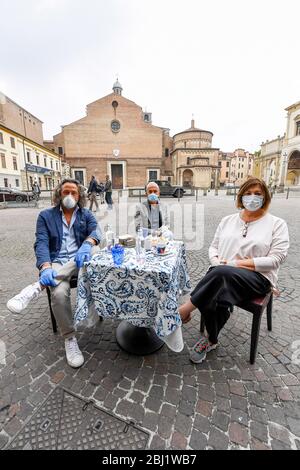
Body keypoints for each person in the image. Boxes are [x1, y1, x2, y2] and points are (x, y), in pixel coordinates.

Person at [179, 177, 289, 364]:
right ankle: (212, 339)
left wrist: (238, 264)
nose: (252, 197)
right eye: (248, 193)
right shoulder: (227, 220)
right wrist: (217, 262)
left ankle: (184, 310)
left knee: (218, 278)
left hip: (257, 278)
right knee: (214, 287)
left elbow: (276, 259)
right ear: (241, 196)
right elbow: (213, 247)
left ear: (265, 197)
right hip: (222, 273)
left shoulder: (277, 224)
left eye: (257, 194)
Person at [6, 178, 102, 368]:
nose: (69, 196)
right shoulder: (45, 216)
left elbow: (96, 231)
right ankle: (70, 339)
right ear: (58, 194)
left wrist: (89, 243)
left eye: (73, 192)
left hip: (80, 261)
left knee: (92, 251)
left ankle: (36, 288)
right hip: (57, 263)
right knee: (58, 294)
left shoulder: (86, 214)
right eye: (65, 192)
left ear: (79, 195)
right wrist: (45, 267)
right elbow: (41, 242)